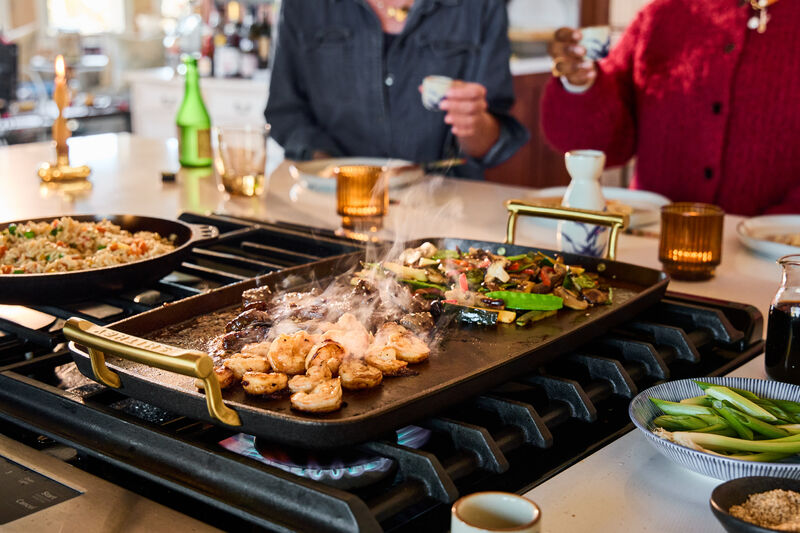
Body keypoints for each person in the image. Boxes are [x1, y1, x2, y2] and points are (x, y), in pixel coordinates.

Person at [540, 0, 800, 215]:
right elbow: (605, 146)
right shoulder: (663, 15)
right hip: (648, 246)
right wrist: (580, 86)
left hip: (779, 260)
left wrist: (774, 231)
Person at [265, 0, 528, 179]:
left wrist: (473, 123)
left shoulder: (481, 6)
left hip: (443, 206)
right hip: (329, 204)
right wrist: (333, 169)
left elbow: (493, 141)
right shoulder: (303, 6)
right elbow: (285, 112)